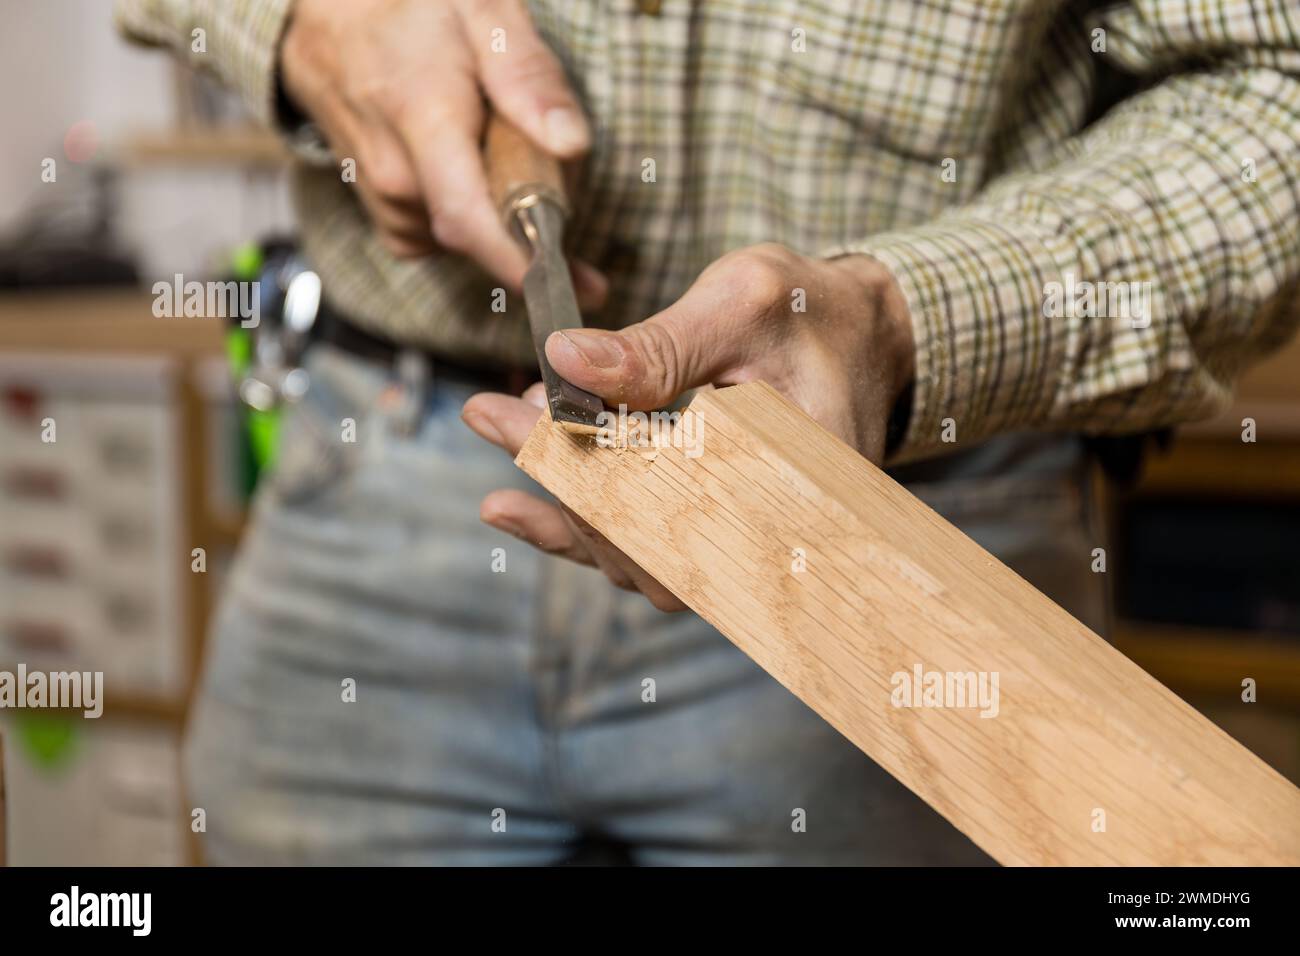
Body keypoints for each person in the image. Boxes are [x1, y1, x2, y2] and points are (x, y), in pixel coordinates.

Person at [115, 0, 1300, 864]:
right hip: (373, 473)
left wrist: (901, 319)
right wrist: (302, 23)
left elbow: (1276, 89)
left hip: (902, 514)